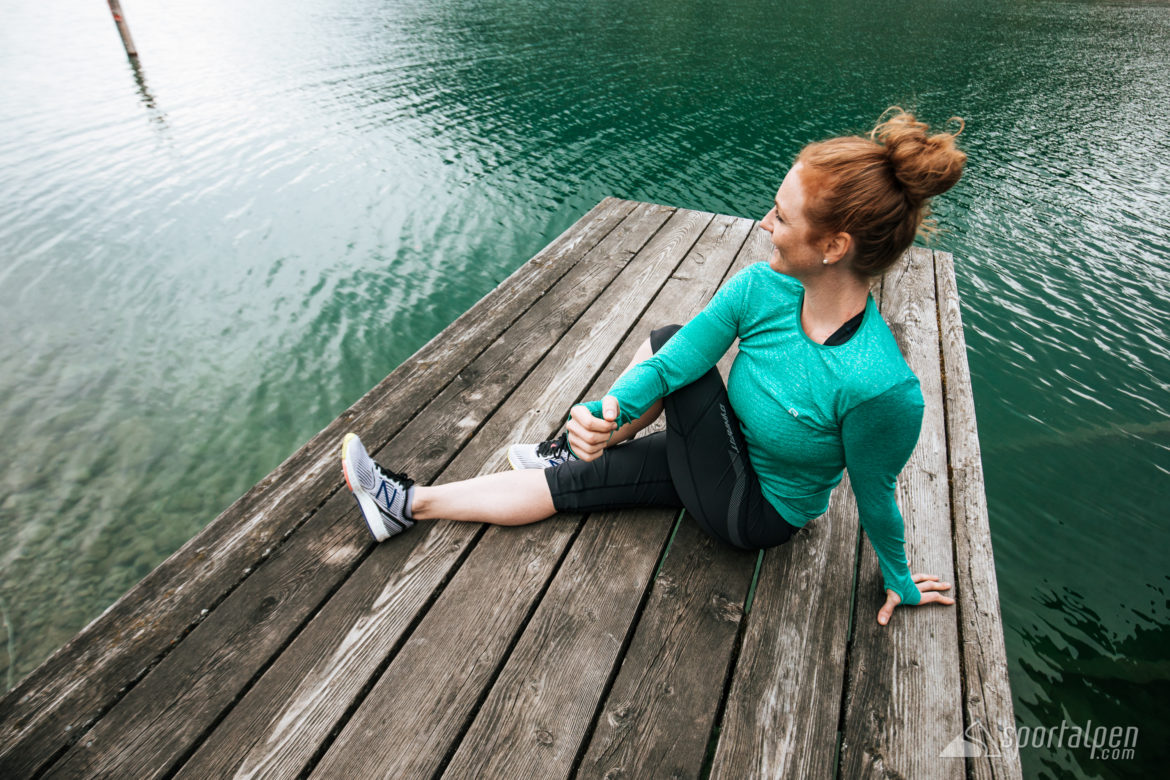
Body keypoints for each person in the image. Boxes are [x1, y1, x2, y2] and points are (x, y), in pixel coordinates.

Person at [339, 109, 965, 626]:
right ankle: (406, 502)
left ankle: (573, 443)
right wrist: (603, 415)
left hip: (755, 511)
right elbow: (674, 365)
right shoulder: (761, 290)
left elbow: (876, 495)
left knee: (673, 351)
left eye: (782, 215)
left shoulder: (878, 385)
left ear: (833, 246)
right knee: (578, 484)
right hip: (716, 453)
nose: (766, 225)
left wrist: (901, 579)